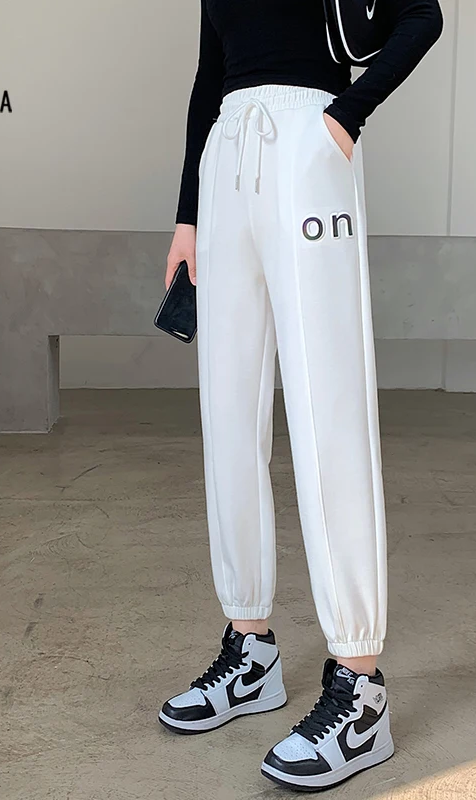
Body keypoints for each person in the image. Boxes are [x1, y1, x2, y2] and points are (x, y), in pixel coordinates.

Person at [159, 0, 443, 790]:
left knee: (328, 413)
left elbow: (422, 15)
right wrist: (187, 217)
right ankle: (250, 652)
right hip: (227, 159)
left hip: (310, 145)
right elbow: (209, 74)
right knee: (228, 412)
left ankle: (361, 688)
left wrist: (343, 120)